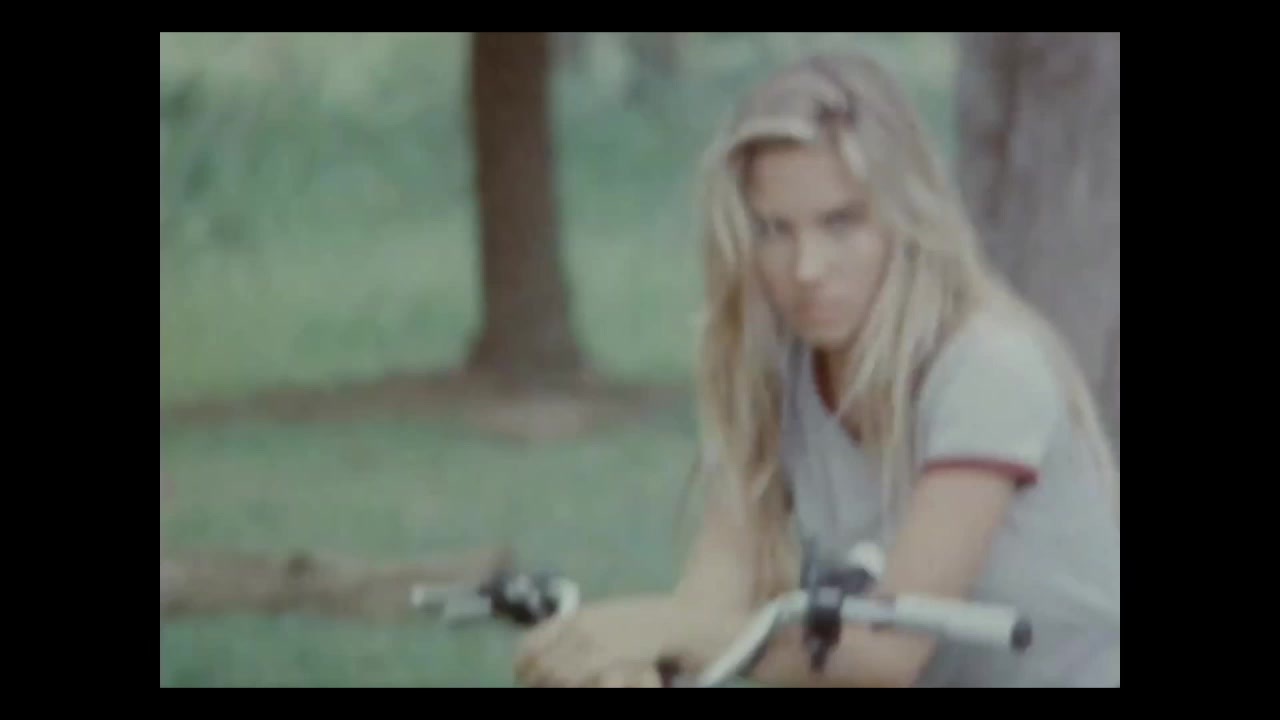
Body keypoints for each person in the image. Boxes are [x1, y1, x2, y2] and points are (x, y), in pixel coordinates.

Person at [515, 49, 1120, 688]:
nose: (807, 268)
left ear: (905, 217)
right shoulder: (779, 368)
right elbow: (709, 601)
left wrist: (674, 633)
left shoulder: (987, 367)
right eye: (774, 230)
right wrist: (634, 662)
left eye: (841, 223)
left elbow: (886, 656)